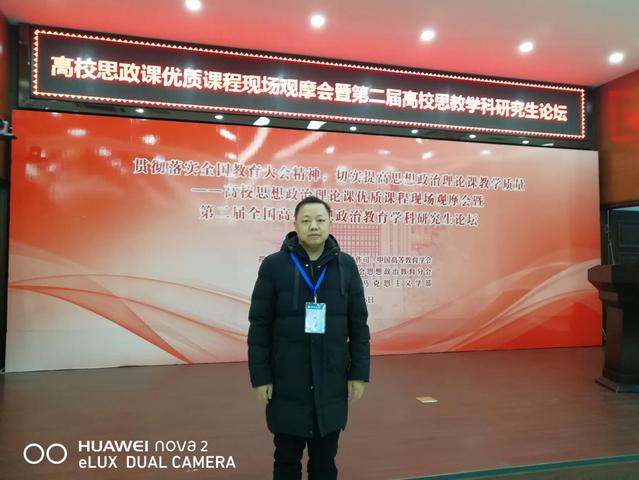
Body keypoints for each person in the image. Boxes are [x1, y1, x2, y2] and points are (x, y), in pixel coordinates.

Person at [248, 196, 370, 480]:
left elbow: (358, 324)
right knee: (286, 460)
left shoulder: (346, 266)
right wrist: (260, 376)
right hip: (286, 381)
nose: (313, 226)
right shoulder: (274, 266)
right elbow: (259, 326)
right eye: (306, 220)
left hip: (331, 381)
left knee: (325, 462)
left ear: (330, 223)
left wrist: (359, 373)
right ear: (295, 225)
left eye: (320, 220)